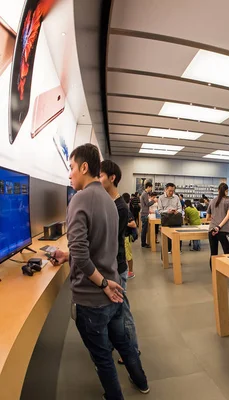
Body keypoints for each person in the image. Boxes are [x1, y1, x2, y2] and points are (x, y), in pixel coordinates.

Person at [49, 144, 148, 399]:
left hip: (93, 297)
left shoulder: (79, 199)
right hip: (113, 291)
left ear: (84, 167)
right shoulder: (109, 200)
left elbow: (82, 254)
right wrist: (106, 282)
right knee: (124, 344)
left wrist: (102, 283)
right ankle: (141, 381)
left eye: (71, 168)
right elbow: (100, 245)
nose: (69, 174)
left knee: (102, 357)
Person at [99, 161, 141, 364]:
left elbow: (110, 239)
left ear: (112, 177)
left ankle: (132, 350)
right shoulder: (109, 203)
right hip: (112, 266)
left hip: (117, 267)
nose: (97, 180)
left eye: (100, 176)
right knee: (117, 310)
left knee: (122, 311)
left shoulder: (120, 208)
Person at [207, 183, 229, 289]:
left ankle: (215, 277)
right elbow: (228, 216)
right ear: (227, 190)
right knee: (228, 254)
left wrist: (215, 223)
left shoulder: (212, 201)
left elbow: (208, 217)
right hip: (224, 231)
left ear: (218, 190)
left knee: (213, 253)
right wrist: (220, 226)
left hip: (211, 229)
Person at [157, 183, 183, 253]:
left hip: (176, 218)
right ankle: (167, 250)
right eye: (170, 191)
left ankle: (178, 249)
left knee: (178, 234)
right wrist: (167, 211)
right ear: (165, 190)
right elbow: (159, 211)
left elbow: (180, 208)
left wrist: (177, 211)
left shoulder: (176, 197)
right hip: (166, 219)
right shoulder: (161, 198)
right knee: (167, 236)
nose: (171, 192)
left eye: (173, 191)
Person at [122, 193, 137, 279]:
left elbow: (133, 224)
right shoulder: (125, 209)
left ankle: (130, 272)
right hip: (123, 236)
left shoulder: (126, 211)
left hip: (126, 236)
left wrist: (124, 224)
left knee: (128, 255)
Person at [140, 182, 157, 248]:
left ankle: (143, 243)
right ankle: (143, 243)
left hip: (144, 213)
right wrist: (154, 201)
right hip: (144, 214)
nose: (151, 189)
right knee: (144, 230)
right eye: (151, 188)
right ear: (148, 187)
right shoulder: (145, 194)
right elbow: (147, 204)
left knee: (144, 229)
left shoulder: (144, 194)